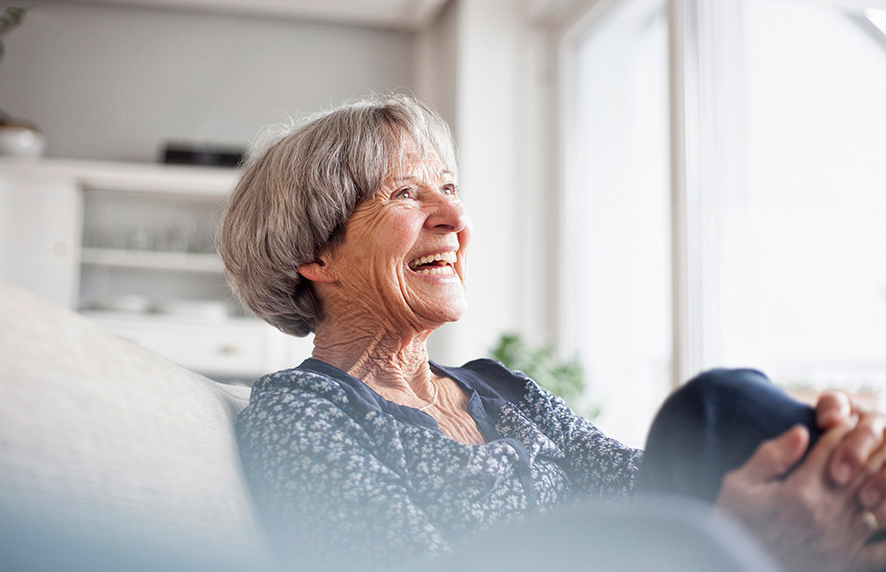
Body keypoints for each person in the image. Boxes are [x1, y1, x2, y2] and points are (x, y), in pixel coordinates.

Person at [217, 93, 886, 572]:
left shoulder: (499, 389)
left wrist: (810, 463)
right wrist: (733, 542)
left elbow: (646, 483)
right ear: (316, 255)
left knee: (715, 406)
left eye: (448, 187)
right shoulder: (301, 412)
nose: (455, 215)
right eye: (404, 195)